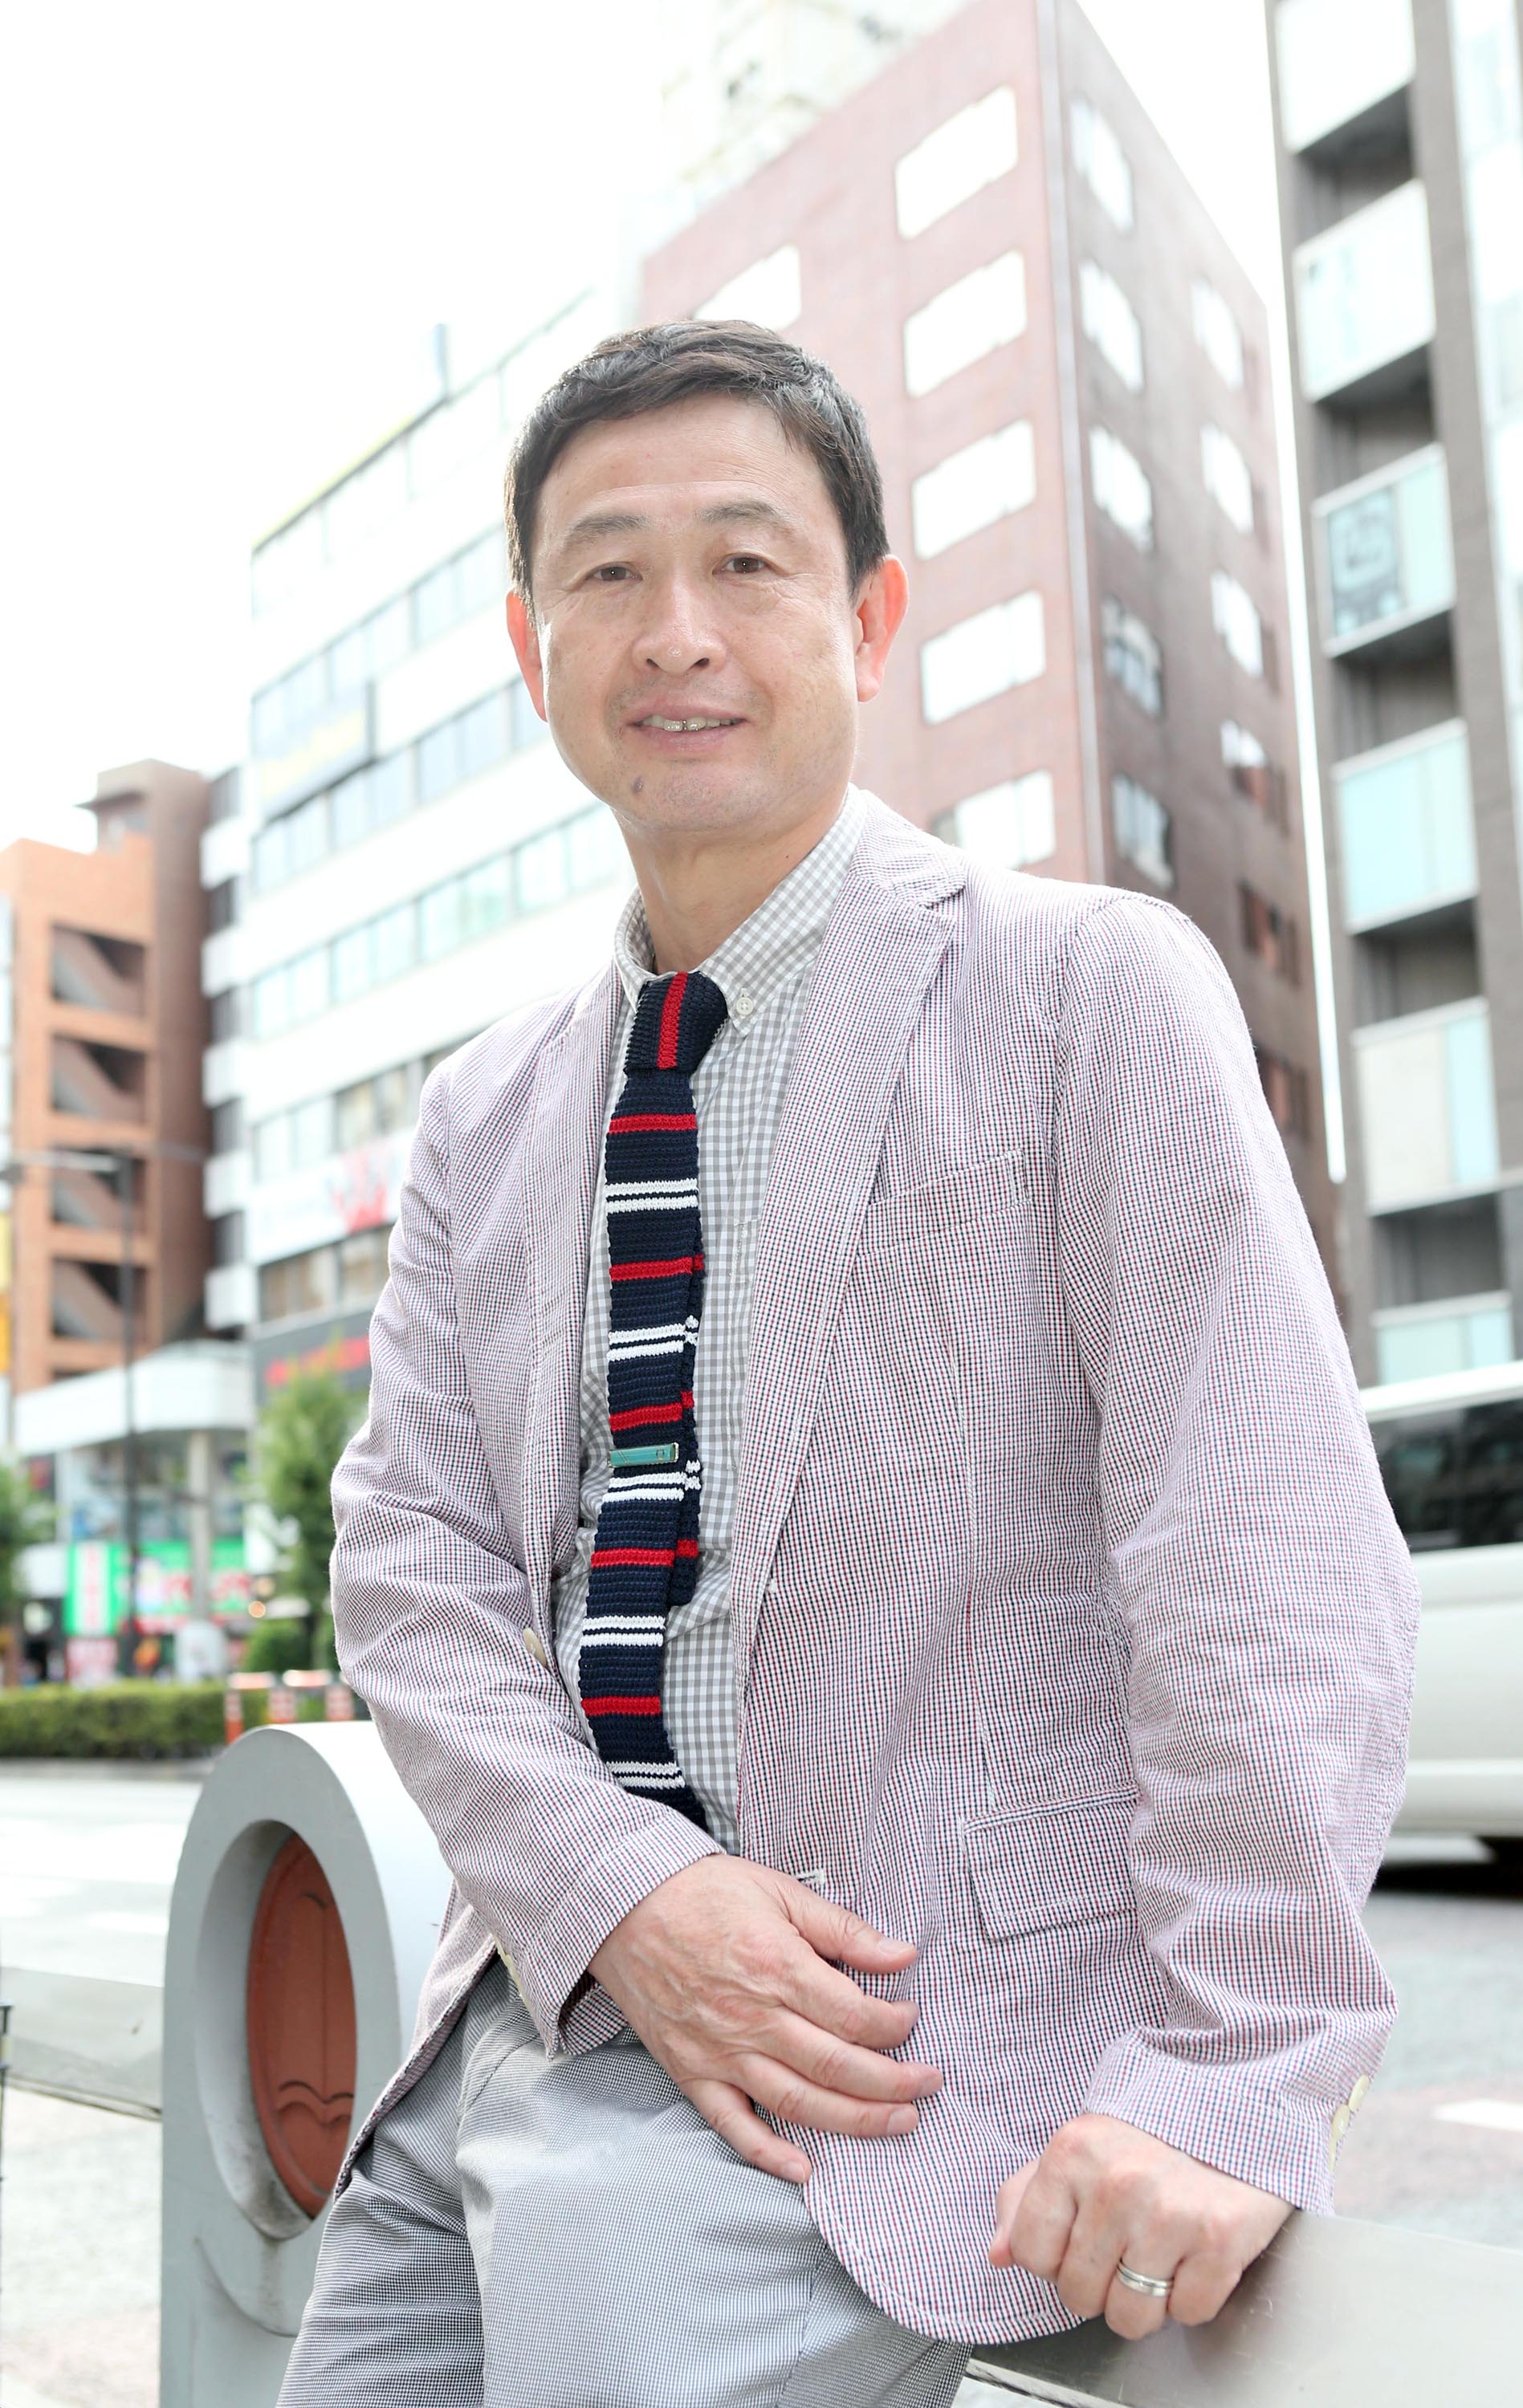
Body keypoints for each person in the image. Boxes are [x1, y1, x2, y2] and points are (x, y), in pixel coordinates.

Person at [279, 320, 1418, 2407]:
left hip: (885, 2061)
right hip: (519, 2016)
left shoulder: (1085, 991)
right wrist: (625, 1896)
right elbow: (414, 1573)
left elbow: (1259, 1545)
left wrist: (1234, 2064)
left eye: (747, 560)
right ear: (531, 644)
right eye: (608, 572)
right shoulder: (482, 1111)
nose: (676, 632)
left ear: (872, 618)